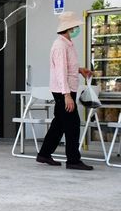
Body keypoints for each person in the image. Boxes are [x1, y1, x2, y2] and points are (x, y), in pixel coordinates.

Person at [36, 11, 94, 171]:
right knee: (72, 124)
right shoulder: (60, 46)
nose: (77, 29)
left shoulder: (66, 43)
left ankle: (44, 154)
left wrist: (79, 69)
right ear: (70, 28)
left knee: (60, 123)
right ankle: (73, 160)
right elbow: (60, 72)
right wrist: (67, 95)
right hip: (64, 91)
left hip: (67, 89)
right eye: (76, 26)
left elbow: (67, 68)